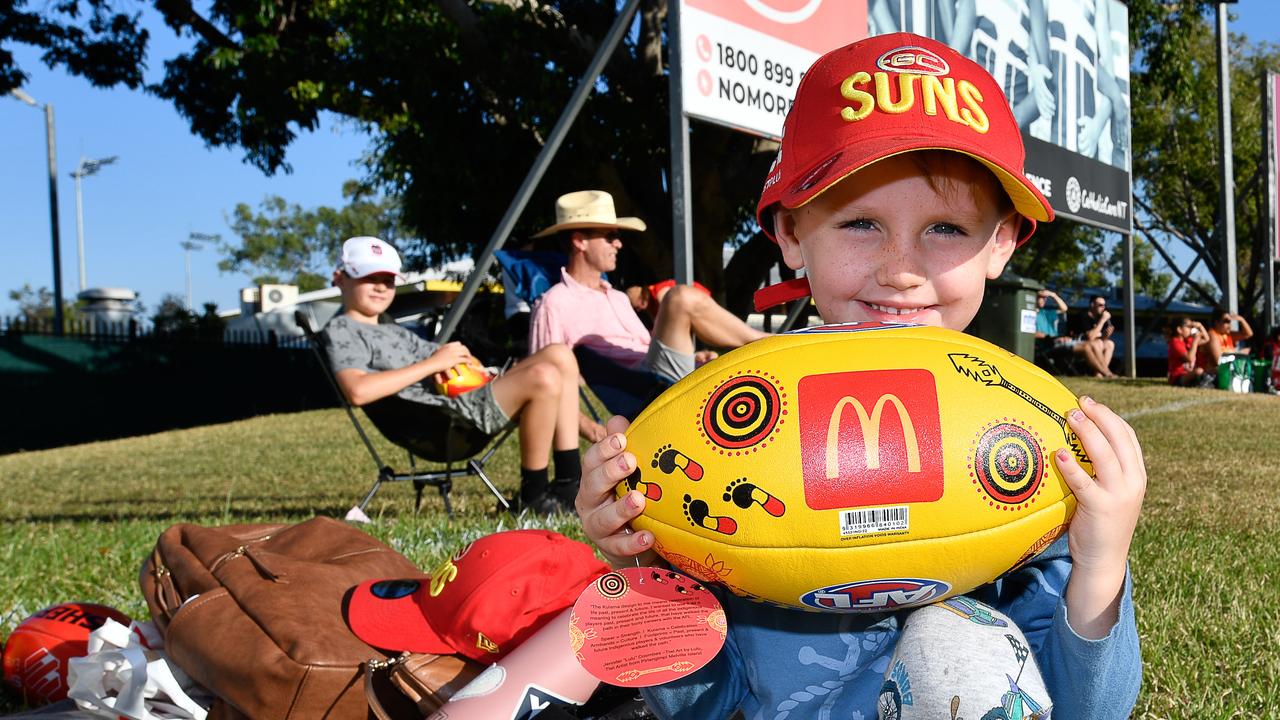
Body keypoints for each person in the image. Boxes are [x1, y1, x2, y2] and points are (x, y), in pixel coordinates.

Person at [576, 33, 1144, 719]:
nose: (901, 269)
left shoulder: (1028, 438)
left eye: (946, 229)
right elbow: (698, 704)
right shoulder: (724, 433)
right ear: (789, 233)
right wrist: (641, 561)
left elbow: (1091, 710)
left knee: (952, 640)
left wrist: (1101, 564)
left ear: (1002, 241)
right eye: (862, 222)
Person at [322, 236, 586, 514]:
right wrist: (433, 365)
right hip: (442, 421)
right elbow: (357, 390)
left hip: (465, 399)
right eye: (367, 278)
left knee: (559, 353)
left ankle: (570, 483)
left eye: (387, 280)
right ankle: (533, 496)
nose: (380, 287)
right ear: (340, 279)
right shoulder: (342, 330)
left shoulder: (394, 331)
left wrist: (462, 358)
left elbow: (445, 359)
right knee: (543, 376)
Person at [528, 190, 769, 383]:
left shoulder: (617, 297)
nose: (619, 244)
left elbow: (644, 348)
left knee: (682, 298)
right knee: (680, 297)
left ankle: (762, 343)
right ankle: (766, 343)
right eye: (610, 236)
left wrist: (688, 357)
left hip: (652, 372)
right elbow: (544, 379)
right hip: (635, 386)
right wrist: (592, 427)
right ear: (580, 242)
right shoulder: (555, 303)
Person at [1068, 294, 1118, 378]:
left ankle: (1099, 373)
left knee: (1110, 343)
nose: (1103, 307)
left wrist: (1105, 335)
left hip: (1095, 344)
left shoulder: (1099, 317)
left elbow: (1100, 338)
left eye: (1105, 305)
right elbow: (1090, 337)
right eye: (1100, 305)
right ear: (1092, 304)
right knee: (1098, 343)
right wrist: (1102, 320)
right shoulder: (1083, 316)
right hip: (1079, 344)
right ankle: (1106, 372)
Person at [1196, 309, 1254, 375]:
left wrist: (1241, 319)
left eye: (1230, 321)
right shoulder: (1212, 335)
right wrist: (1239, 354)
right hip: (1210, 373)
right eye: (1226, 321)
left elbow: (1248, 334)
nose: (1229, 324)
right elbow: (1218, 361)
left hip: (1226, 371)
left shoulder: (1228, 335)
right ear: (1216, 322)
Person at [1167, 316, 1207, 387]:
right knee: (1199, 371)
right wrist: (1195, 341)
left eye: (1191, 327)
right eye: (1188, 327)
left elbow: (1206, 339)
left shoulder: (1188, 340)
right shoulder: (1175, 342)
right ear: (1179, 329)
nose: (1191, 329)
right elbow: (1189, 358)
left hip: (1189, 373)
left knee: (1206, 371)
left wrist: (1200, 326)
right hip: (1177, 377)